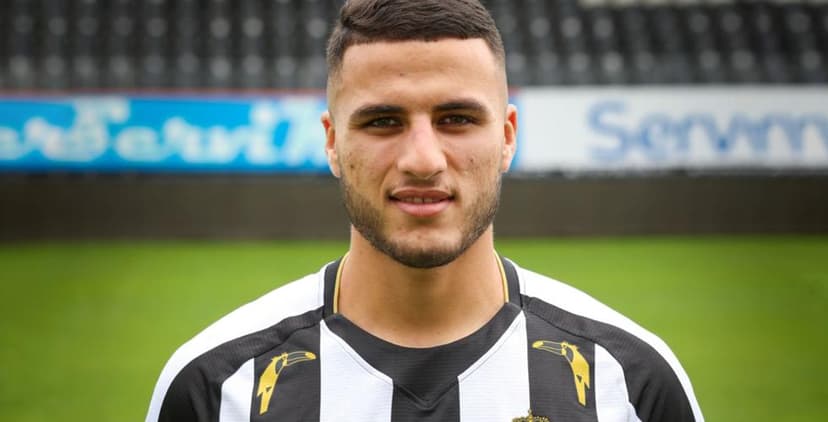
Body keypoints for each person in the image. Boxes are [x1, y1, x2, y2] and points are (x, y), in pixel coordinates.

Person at [145, 0, 704, 421]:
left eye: (457, 119)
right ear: (333, 142)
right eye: (383, 121)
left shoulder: (631, 382)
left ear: (507, 137)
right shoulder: (215, 386)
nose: (422, 160)